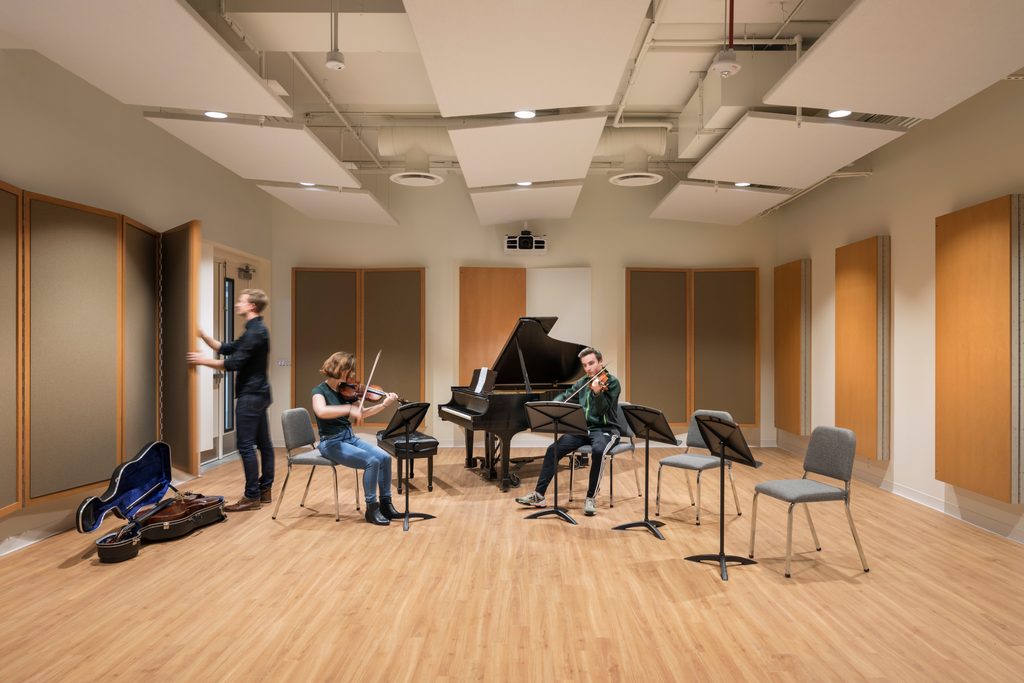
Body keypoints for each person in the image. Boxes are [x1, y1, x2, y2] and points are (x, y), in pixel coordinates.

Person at [187, 289, 274, 512]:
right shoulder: (254, 330)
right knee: (264, 445)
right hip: (260, 394)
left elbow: (233, 363)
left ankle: (252, 496)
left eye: (241, 302)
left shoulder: (255, 332)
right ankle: (264, 491)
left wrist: (203, 361)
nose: (237, 304)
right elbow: (227, 349)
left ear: (252, 306)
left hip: (250, 396)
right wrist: (203, 335)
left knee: (245, 445)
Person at [515, 347, 621, 516]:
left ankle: (591, 498)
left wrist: (597, 393)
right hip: (582, 430)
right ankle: (539, 495)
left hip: (605, 430)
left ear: (600, 362)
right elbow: (566, 396)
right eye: (585, 365)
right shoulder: (582, 383)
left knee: (598, 451)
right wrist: (551, 408)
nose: (588, 369)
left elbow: (602, 411)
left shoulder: (612, 382)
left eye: (591, 363)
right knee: (553, 449)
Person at [311, 351, 401, 526]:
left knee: (384, 458)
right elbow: (321, 411)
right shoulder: (319, 391)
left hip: (349, 438)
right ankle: (371, 508)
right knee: (371, 461)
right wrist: (347, 410)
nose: (351, 374)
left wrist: (384, 404)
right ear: (338, 368)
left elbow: (363, 413)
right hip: (331, 442)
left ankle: (386, 504)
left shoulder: (346, 391)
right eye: (348, 369)